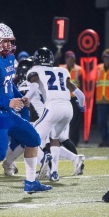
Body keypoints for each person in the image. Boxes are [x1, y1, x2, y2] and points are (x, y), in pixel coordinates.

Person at [0, 23, 52, 200]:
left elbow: (9, 83)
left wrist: (19, 97)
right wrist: (8, 102)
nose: (9, 45)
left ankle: (31, 182)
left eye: (10, 41)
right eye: (5, 41)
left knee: (33, 138)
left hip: (6, 111)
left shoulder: (8, 58)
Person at [25, 47, 85, 181]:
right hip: (68, 109)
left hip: (52, 107)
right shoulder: (62, 71)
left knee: (30, 137)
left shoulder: (35, 70)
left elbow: (34, 87)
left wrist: (27, 98)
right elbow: (79, 95)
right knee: (55, 138)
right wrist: (82, 106)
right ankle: (54, 172)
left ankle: (44, 160)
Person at [59, 50, 84, 146]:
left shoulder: (79, 69)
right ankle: (61, 140)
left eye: (72, 58)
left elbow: (83, 85)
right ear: (66, 59)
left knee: (75, 122)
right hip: (64, 98)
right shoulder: (60, 68)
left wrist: (81, 101)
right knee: (62, 120)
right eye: (69, 58)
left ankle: (74, 142)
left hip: (74, 98)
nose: (71, 60)